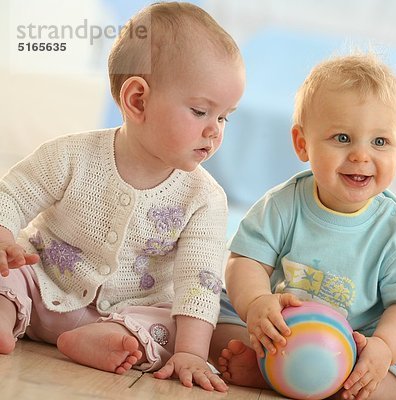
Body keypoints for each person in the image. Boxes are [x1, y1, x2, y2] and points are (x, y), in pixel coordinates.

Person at [0, 2, 244, 392]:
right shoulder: (71, 156)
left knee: (171, 324)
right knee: (10, 273)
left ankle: (105, 341)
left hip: (128, 312)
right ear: (138, 101)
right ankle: (5, 312)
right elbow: (11, 194)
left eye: (225, 116)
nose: (215, 130)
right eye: (201, 111)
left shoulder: (205, 199)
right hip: (42, 285)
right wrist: (4, 235)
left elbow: (200, 284)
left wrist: (193, 353)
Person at [210, 53, 396, 400]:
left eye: (380, 142)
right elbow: (245, 262)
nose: (360, 156)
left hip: (356, 343)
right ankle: (272, 369)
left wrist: (384, 347)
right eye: (342, 138)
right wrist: (258, 302)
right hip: (279, 333)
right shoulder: (282, 205)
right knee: (213, 306)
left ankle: (348, 385)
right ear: (302, 143)